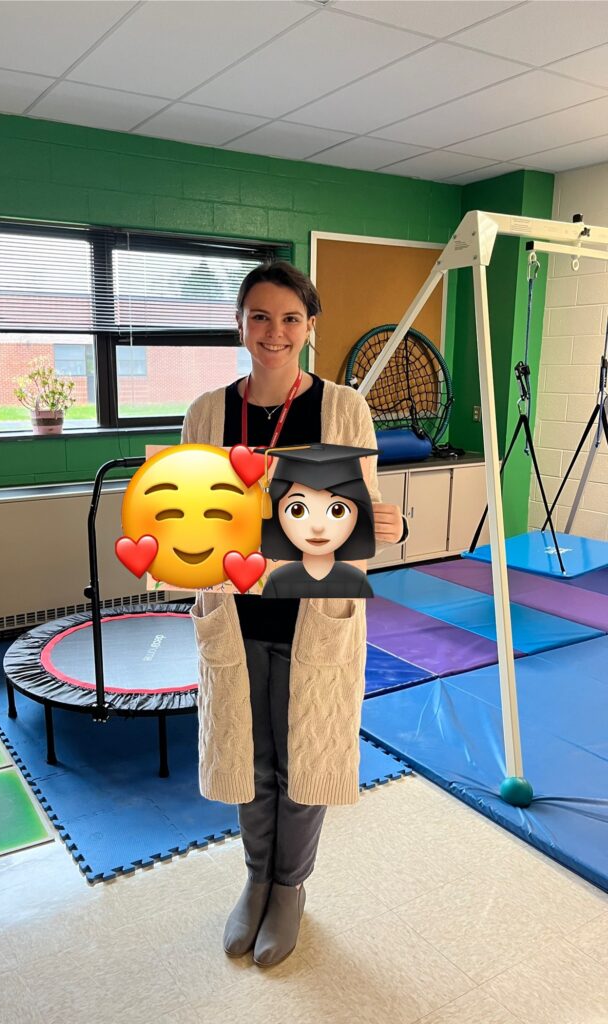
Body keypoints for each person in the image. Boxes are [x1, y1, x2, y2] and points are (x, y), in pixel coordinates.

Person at [181, 261, 404, 968]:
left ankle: (290, 886)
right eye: (259, 317)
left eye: (288, 318)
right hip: (238, 616)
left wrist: (386, 525)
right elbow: (191, 517)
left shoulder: (344, 409)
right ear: (240, 324)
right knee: (250, 760)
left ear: (310, 328)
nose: (273, 332)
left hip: (314, 618)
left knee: (305, 755)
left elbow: (356, 518)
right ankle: (254, 878)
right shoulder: (207, 412)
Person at [260, 443, 377, 600]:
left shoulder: (358, 583)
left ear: (359, 513)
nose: (318, 527)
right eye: (297, 510)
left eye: (337, 510)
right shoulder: (276, 582)